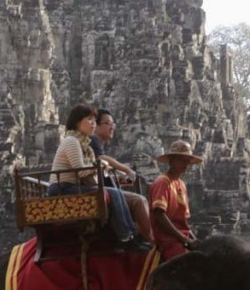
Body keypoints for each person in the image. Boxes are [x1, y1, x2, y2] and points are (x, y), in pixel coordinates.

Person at [49, 103, 151, 253]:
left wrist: (100, 167)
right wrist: (100, 165)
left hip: (72, 187)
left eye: (94, 120)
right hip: (63, 188)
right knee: (114, 193)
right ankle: (125, 237)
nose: (93, 124)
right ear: (77, 122)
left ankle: (131, 235)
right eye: (89, 119)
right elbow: (81, 172)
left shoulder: (83, 144)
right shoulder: (72, 141)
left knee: (115, 192)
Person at [92, 108, 152, 241]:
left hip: (102, 188)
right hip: (96, 190)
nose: (112, 127)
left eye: (113, 124)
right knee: (139, 201)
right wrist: (126, 170)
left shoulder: (96, 142)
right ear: (95, 126)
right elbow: (102, 158)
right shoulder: (93, 139)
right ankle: (150, 239)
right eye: (108, 123)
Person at [150, 140, 202, 260]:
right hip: (166, 238)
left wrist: (192, 239)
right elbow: (159, 214)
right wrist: (183, 239)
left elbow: (183, 222)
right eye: (182, 160)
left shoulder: (181, 185)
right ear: (172, 160)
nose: (186, 164)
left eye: (187, 161)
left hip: (181, 236)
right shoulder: (163, 182)